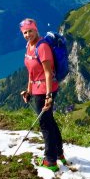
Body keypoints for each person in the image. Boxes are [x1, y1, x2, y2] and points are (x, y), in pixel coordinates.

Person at [19, 18, 68, 171]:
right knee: (50, 121)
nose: (28, 34)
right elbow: (31, 72)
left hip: (45, 90)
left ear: (36, 30)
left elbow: (48, 73)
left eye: (30, 31)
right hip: (37, 89)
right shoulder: (29, 46)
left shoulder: (42, 47)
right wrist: (28, 90)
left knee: (45, 124)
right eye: (25, 32)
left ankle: (50, 160)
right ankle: (59, 154)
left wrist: (48, 96)